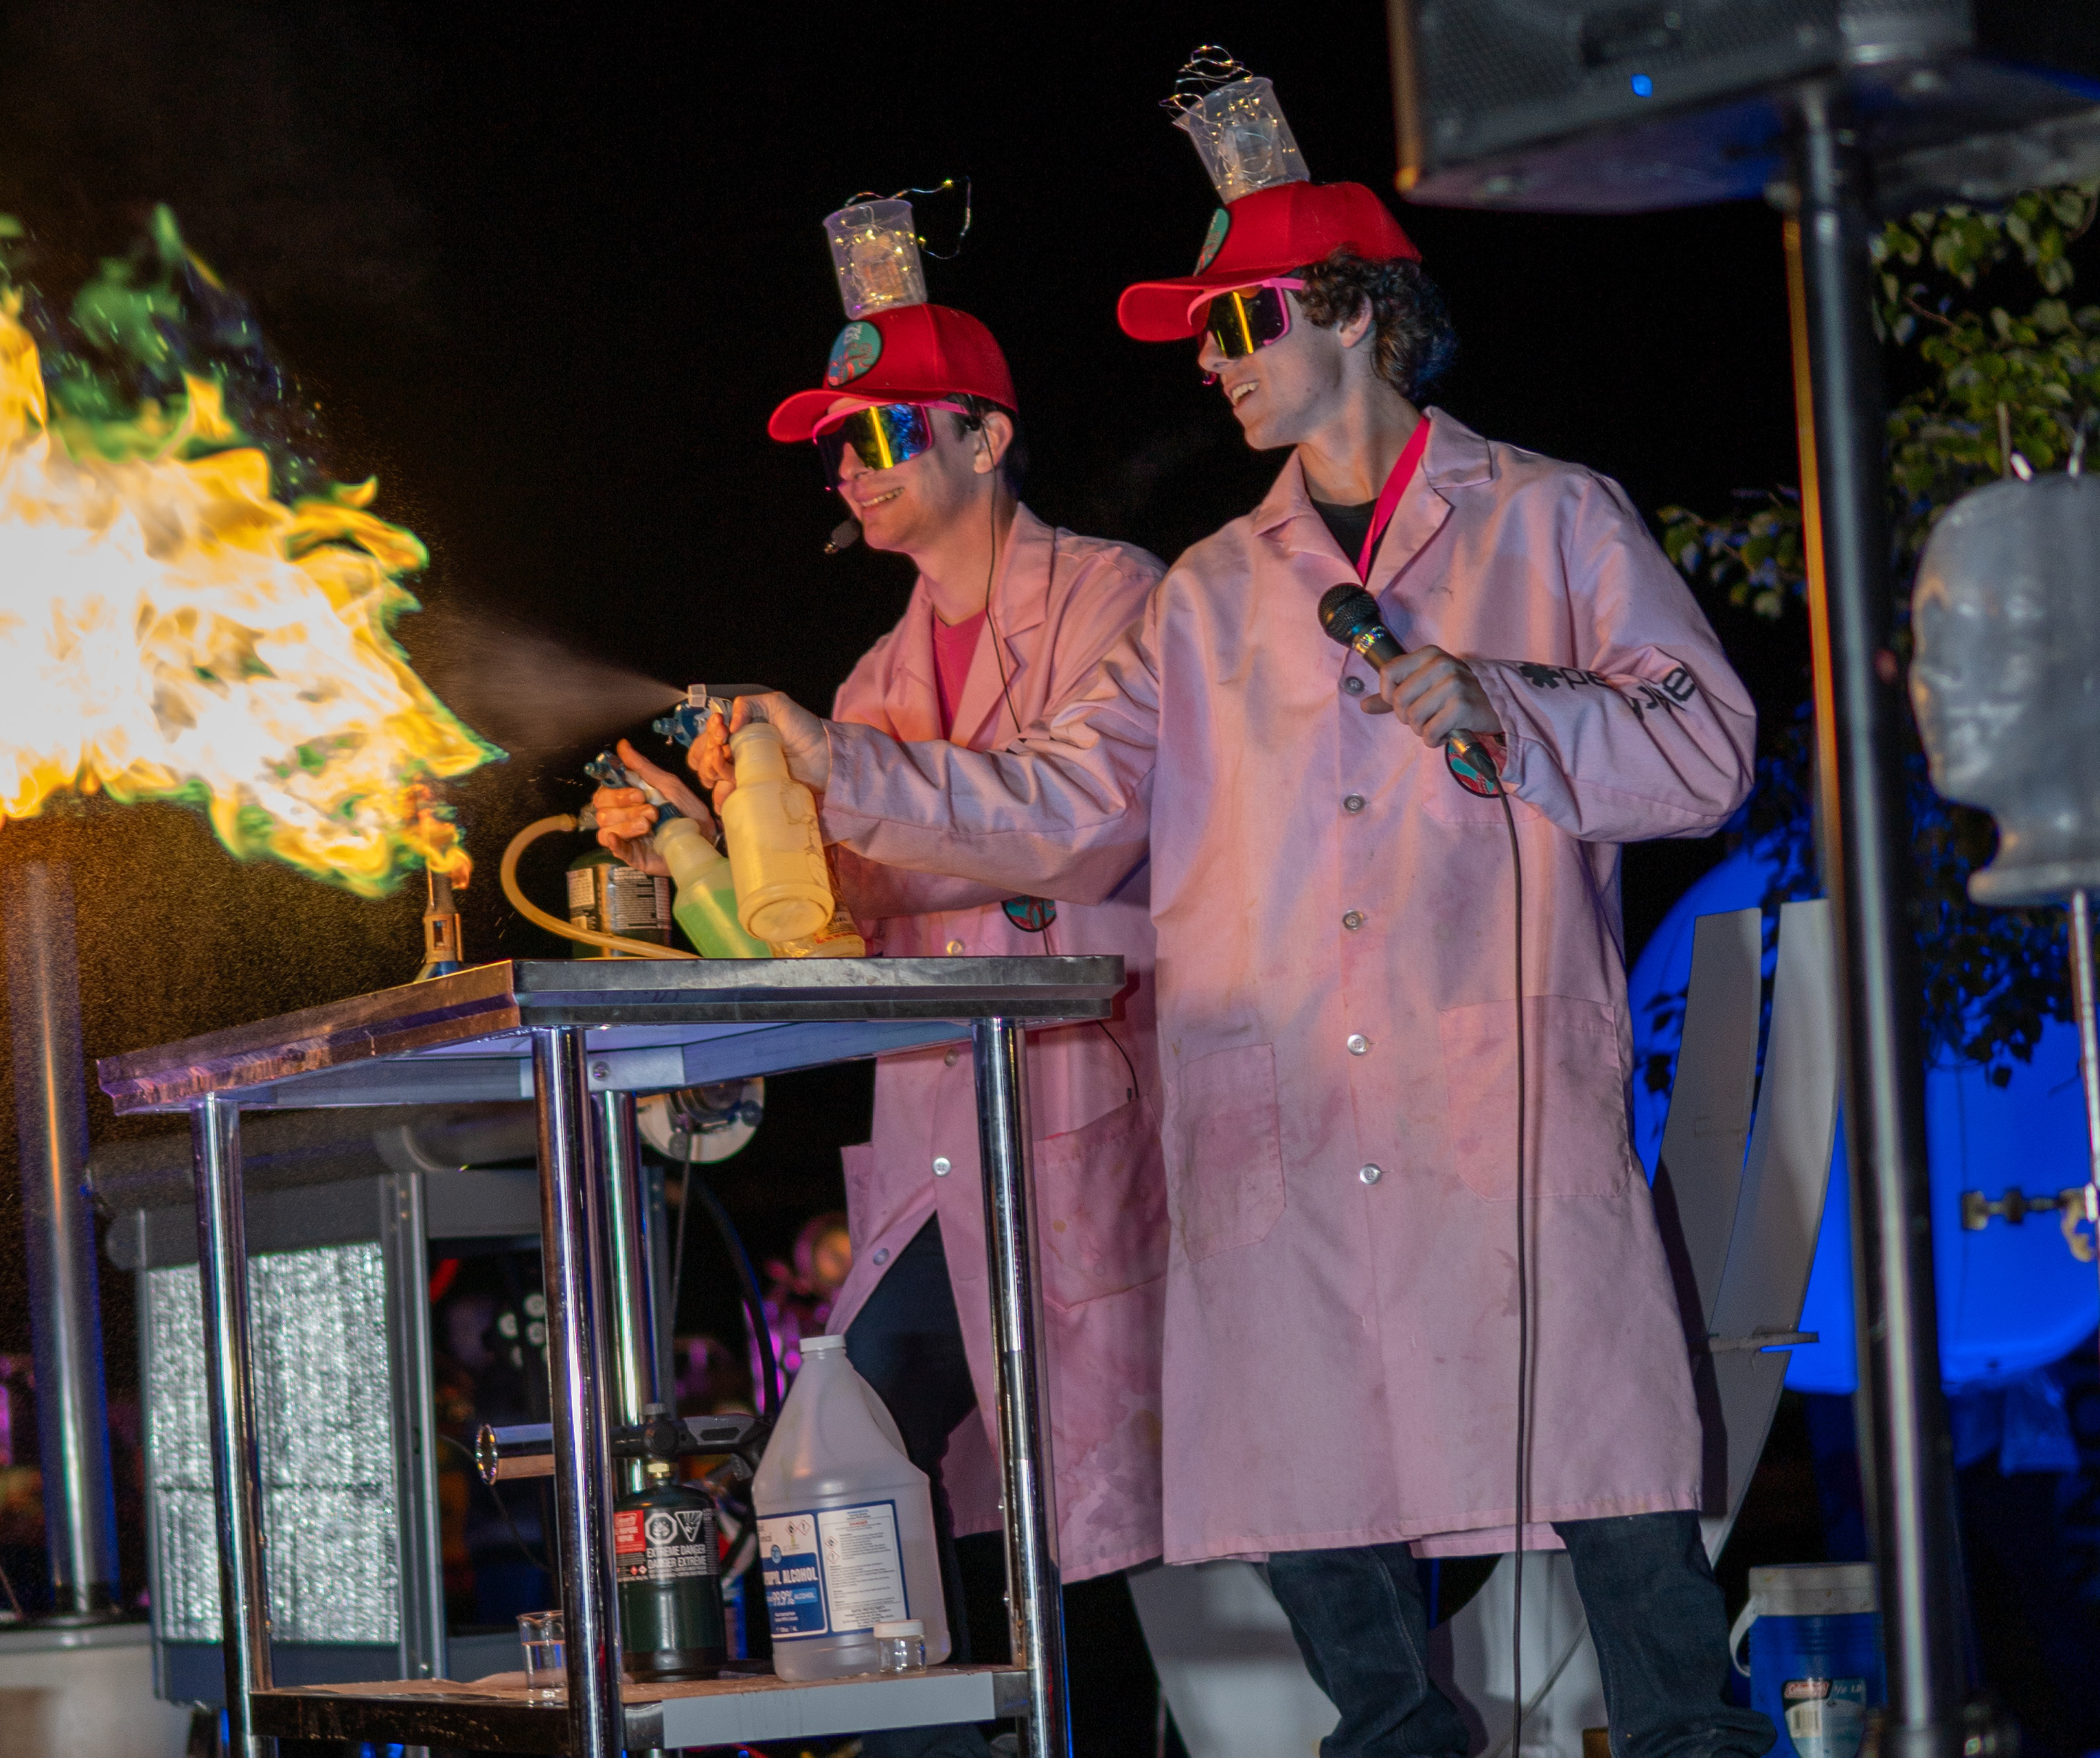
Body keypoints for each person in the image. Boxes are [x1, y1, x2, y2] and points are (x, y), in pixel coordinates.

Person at [690, 177, 1779, 1758]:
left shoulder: (1550, 516)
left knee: (1610, 1484)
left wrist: (1499, 698)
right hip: (1279, 1103)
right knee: (1317, 1495)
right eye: (1204, 334)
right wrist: (831, 760)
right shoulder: (1209, 591)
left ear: (1350, 311)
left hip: (1487, 1089)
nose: (1211, 361)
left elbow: (1702, 745)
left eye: (1236, 321)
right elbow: (1065, 805)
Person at [593, 299, 1167, 1756]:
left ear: (987, 433)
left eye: (886, 430)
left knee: (1081, 1523)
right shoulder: (869, 679)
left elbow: (1084, 828)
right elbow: (823, 944)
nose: (853, 463)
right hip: (936, 1155)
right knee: (866, 1486)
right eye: (837, 444)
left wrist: (825, 759)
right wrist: (697, 851)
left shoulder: (1118, 597)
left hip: (1089, 1133)